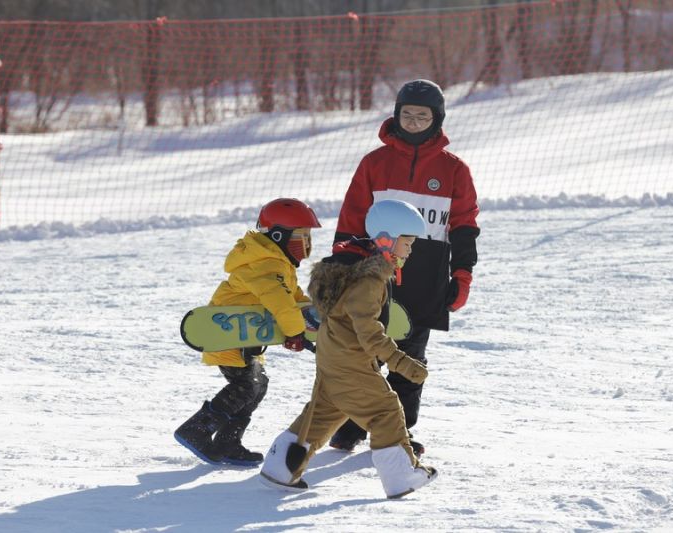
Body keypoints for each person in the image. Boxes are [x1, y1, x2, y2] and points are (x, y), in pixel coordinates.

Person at [329, 79, 480, 457]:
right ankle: (350, 427)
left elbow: (464, 225)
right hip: (373, 271)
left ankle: (399, 431)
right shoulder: (374, 163)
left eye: (422, 116)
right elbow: (351, 217)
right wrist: (341, 267)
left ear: (437, 119)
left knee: (409, 358)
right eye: (406, 114)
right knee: (364, 350)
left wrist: (462, 275)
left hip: (425, 274)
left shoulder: (454, 169)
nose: (413, 122)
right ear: (396, 115)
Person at [259, 199, 438, 499]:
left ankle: (280, 468)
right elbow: (368, 331)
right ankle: (401, 477)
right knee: (386, 411)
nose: (410, 250)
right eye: (407, 243)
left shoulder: (351, 267)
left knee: (323, 413)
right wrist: (402, 362)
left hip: (333, 355)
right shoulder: (368, 280)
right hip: (351, 359)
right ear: (386, 240)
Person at [174, 198, 321, 466]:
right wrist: (296, 332)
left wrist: (315, 315)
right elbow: (281, 303)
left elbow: (294, 298)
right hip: (227, 336)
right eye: (302, 235)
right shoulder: (265, 265)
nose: (308, 243)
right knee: (245, 386)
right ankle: (197, 429)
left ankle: (228, 442)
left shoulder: (278, 263)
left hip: (248, 340)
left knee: (257, 385)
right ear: (280, 235)